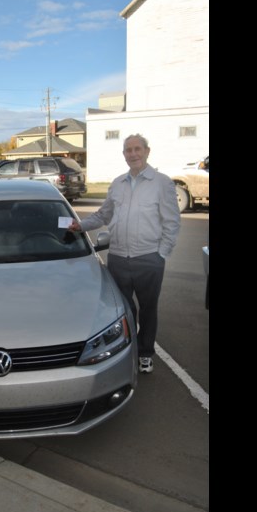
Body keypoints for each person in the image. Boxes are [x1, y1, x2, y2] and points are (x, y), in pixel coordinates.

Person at [68, 134, 181, 374]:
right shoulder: (117, 184)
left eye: (137, 149)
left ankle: (146, 353)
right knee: (122, 309)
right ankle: (126, 351)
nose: (133, 154)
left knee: (148, 310)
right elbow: (103, 215)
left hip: (149, 259)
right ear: (124, 155)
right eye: (128, 150)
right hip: (118, 258)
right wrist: (81, 225)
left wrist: (161, 254)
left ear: (147, 151)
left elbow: (172, 222)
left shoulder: (162, 183)